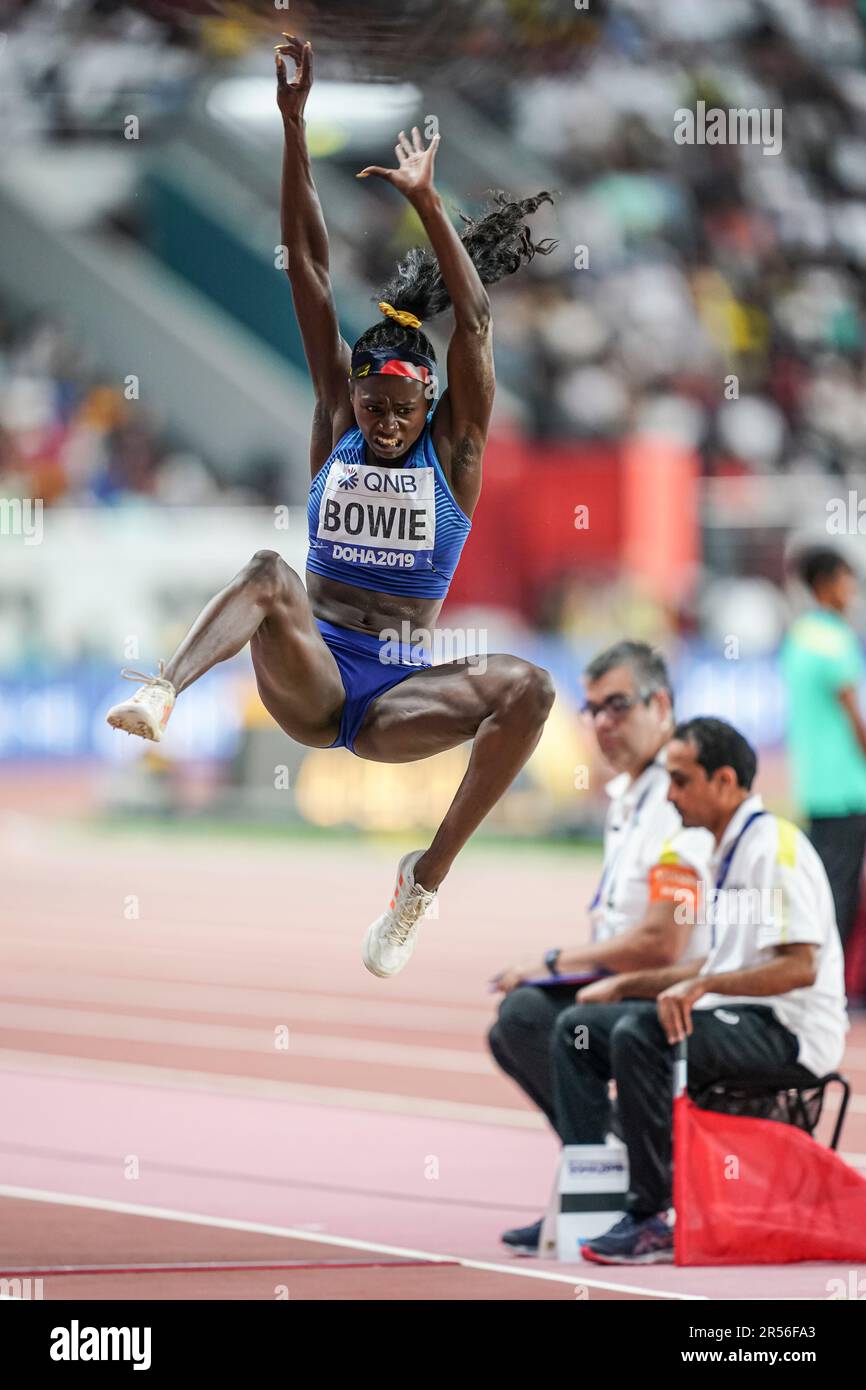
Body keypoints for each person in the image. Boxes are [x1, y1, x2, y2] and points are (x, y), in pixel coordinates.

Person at [105, 33, 558, 979]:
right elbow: (307, 269)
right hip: (312, 679)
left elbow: (473, 323)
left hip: (398, 693)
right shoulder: (334, 419)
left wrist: (430, 205)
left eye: (401, 411)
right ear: (350, 399)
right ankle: (160, 690)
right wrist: (293, 122)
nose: (385, 425)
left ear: (428, 407)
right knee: (272, 571)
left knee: (531, 688)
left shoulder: (458, 452)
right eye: (372, 407)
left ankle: (420, 884)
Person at [554, 717, 847, 1266]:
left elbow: (800, 967)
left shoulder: (775, 848)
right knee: (579, 1029)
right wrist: (627, 984)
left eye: (681, 780)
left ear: (725, 782)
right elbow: (720, 961)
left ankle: (653, 1215)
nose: (669, 795)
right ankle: (595, 1194)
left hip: (790, 1031)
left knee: (643, 1033)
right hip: (737, 1015)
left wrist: (701, 984)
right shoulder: (725, 851)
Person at [488, 641, 713, 1255]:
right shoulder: (627, 800)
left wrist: (556, 963)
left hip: (677, 996)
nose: (603, 725)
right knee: (517, 1023)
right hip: (625, 990)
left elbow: (665, 942)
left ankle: (621, 1190)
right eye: (591, 711)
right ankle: (594, 1182)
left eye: (617, 706)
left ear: (660, 703)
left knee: (554, 1021)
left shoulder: (678, 799)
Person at [781, 546, 866, 994]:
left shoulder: (799, 636)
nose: (852, 590)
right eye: (847, 580)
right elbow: (856, 720)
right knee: (840, 893)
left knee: (827, 887)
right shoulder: (834, 639)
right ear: (828, 582)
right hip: (849, 787)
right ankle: (826, 983)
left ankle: (824, 979)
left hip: (817, 784)